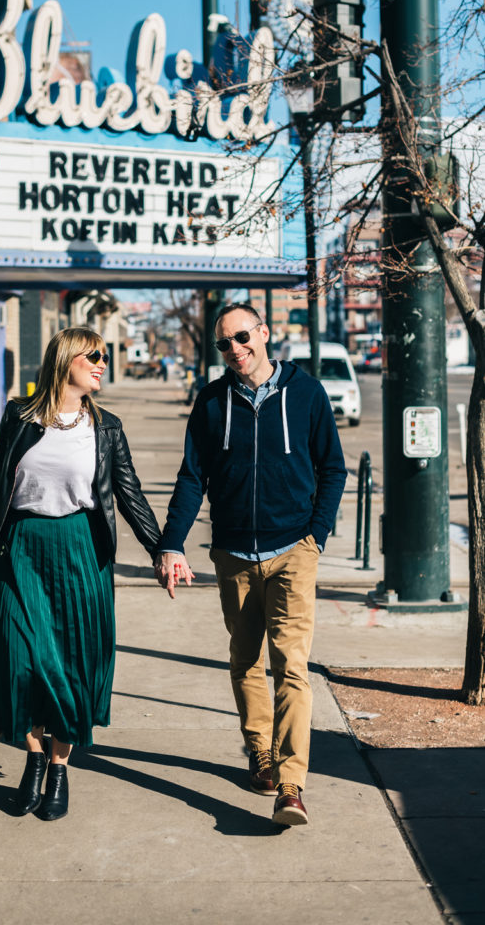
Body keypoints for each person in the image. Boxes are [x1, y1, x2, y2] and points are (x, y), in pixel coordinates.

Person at [155, 303, 346, 827]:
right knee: (245, 661)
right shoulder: (213, 401)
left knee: (292, 667)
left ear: (264, 333)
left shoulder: (305, 394)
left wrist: (316, 535)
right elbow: (192, 476)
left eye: (243, 337)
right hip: (234, 553)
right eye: (224, 344)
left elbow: (333, 466)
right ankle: (259, 749)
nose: (235, 349)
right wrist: (172, 544)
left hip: (293, 551)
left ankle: (291, 785)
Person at [0, 327, 161, 821]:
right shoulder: (19, 416)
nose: (102, 363)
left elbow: (130, 495)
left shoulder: (107, 427)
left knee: (76, 665)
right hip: (23, 549)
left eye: (105, 356)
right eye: (93, 355)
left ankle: (57, 767)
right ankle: (33, 756)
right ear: (65, 360)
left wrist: (163, 550)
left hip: (81, 551)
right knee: (19, 660)